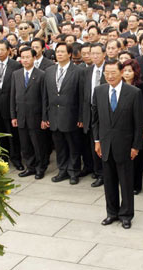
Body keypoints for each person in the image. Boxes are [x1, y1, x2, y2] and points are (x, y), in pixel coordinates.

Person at [92, 59, 143, 229]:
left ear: (122, 72)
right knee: (109, 182)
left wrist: (136, 146)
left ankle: (126, 214)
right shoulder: (99, 91)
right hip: (105, 145)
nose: (110, 76)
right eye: (107, 73)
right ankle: (111, 213)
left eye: (113, 72)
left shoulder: (134, 93)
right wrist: (97, 141)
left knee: (126, 182)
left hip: (126, 145)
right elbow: (96, 119)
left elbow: (138, 122)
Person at [43, 42, 84, 185]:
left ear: (70, 54)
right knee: (59, 145)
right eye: (57, 51)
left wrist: (81, 117)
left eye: (62, 51)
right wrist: (45, 116)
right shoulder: (49, 71)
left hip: (71, 115)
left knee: (73, 145)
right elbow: (45, 96)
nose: (59, 54)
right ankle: (62, 170)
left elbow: (81, 96)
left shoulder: (78, 71)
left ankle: (73, 172)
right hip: (54, 114)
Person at [0, 40, 23, 170]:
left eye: (2, 49)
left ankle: (16, 159)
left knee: (13, 135)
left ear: (8, 51)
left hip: (9, 106)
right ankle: (3, 158)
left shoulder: (16, 65)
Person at [10, 47, 48, 179]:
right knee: (25, 145)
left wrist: (44, 117)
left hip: (36, 116)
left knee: (38, 144)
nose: (25, 60)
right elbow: (12, 96)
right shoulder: (16, 74)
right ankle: (30, 167)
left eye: (28, 57)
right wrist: (13, 116)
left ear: (34, 58)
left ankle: (41, 167)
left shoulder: (41, 75)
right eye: (23, 57)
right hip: (21, 116)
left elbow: (44, 98)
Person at [122, 59, 143, 195]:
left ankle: (136, 185)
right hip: (122, 126)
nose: (127, 73)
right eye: (124, 70)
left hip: (138, 125)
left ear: (135, 72)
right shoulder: (118, 85)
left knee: (136, 156)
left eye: (130, 71)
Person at [82, 43, 107, 187]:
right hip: (90, 111)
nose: (95, 56)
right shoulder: (86, 71)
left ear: (104, 54)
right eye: (93, 53)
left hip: (104, 112)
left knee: (104, 142)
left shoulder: (109, 69)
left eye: (98, 53)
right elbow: (83, 95)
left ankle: (105, 173)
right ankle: (98, 172)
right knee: (94, 142)